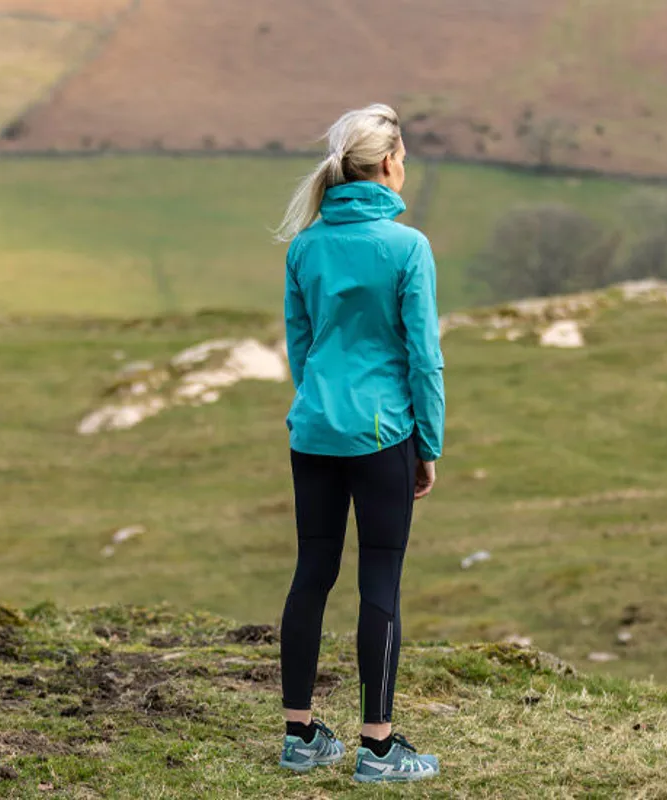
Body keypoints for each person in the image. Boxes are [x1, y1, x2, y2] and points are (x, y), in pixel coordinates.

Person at [275, 104, 445, 783]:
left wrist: (316, 406)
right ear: (388, 166)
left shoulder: (305, 246)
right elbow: (423, 357)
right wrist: (426, 443)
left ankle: (299, 736)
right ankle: (377, 748)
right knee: (380, 579)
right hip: (382, 436)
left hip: (313, 430)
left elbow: (302, 344)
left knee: (311, 572)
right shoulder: (407, 248)